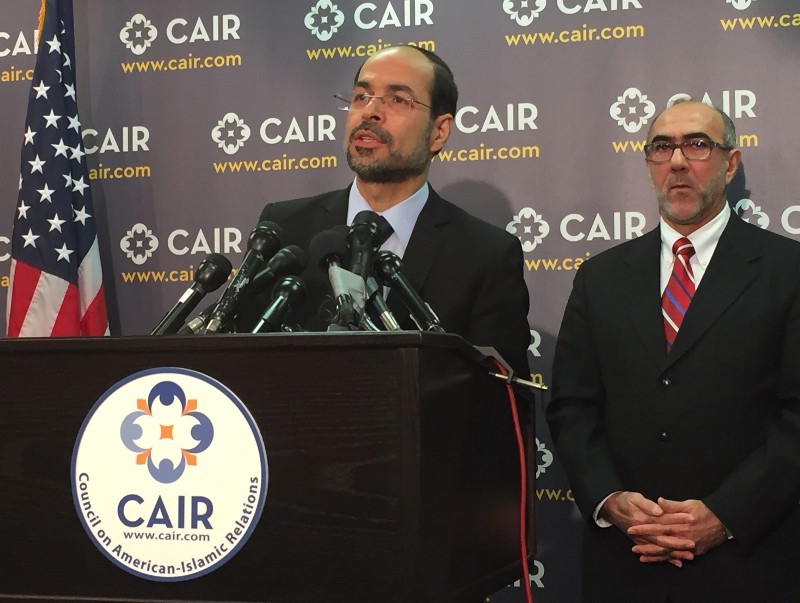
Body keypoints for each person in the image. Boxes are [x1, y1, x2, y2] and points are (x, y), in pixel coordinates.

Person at [546, 100, 800, 602]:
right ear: (648, 164)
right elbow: (572, 406)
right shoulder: (600, 278)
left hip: (749, 562)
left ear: (730, 164)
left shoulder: (786, 270)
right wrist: (610, 499)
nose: (678, 161)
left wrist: (726, 514)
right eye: (662, 147)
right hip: (626, 562)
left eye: (697, 144)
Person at [237, 45, 531, 377]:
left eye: (397, 100)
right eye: (361, 97)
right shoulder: (286, 227)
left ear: (439, 131)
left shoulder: (485, 255)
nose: (370, 112)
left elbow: (499, 401)